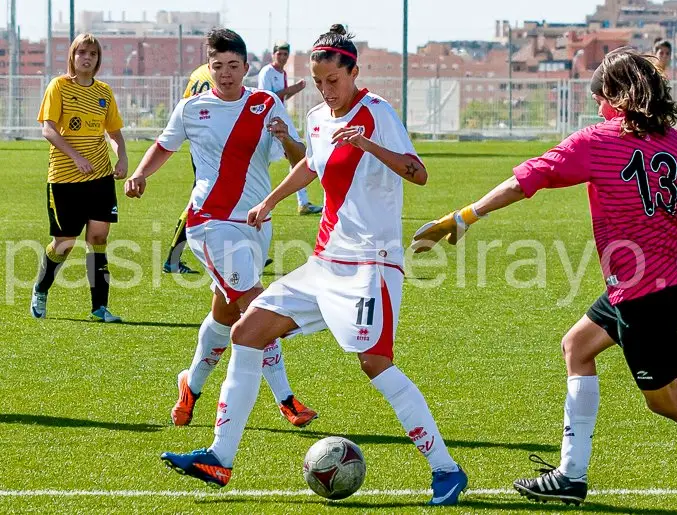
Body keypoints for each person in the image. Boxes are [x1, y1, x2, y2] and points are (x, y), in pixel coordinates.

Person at [413, 48, 677, 506]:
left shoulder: (596, 141)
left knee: (666, 401)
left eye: (600, 98)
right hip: (658, 283)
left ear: (618, 95)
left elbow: (523, 181)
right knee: (577, 346)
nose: (597, 108)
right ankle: (570, 475)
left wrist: (464, 216)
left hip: (646, 295)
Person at [160, 24, 468, 506]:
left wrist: (367, 145)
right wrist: (273, 201)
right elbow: (313, 166)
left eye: (333, 81)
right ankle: (220, 458)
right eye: (319, 81)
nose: (325, 90)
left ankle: (446, 470)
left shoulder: (377, 112)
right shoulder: (321, 117)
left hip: (372, 263)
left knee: (375, 363)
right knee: (247, 332)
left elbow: (419, 173)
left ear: (353, 72)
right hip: (325, 261)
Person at [124, 28, 318, 430]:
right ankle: (287, 399)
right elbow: (164, 145)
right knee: (257, 305)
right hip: (210, 224)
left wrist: (286, 140)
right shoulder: (192, 108)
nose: (226, 73)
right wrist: (141, 174)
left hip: (256, 223)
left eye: (233, 66)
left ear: (247, 67)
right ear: (208, 68)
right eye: (218, 66)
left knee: (226, 315)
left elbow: (305, 163)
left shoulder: (267, 105)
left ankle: (190, 384)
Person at [31, 33, 128, 323]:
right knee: (64, 243)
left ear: (98, 59)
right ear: (72, 56)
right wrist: (76, 156)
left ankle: (100, 306)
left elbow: (114, 133)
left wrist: (122, 157)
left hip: (100, 176)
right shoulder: (59, 86)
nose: (87, 58)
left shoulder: (104, 92)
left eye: (93, 54)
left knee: (98, 237)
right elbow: (48, 129)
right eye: (82, 52)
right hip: (64, 179)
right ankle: (41, 288)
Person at [161, 63, 215, 275]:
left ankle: (240, 249)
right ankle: (173, 258)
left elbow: (185, 103)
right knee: (199, 199)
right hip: (210, 147)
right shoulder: (214, 75)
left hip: (201, 144)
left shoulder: (197, 73)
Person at [258, 40, 322, 216]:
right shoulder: (267, 72)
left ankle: (303, 202)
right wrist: (290, 89)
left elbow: (281, 98)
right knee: (261, 158)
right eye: (279, 53)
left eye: (285, 54)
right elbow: (266, 98)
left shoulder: (282, 73)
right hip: (267, 121)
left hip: (280, 120)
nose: (283, 57)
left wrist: (295, 90)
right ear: (273, 54)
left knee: (295, 156)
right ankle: (252, 198)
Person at [653, 38, 677, 136]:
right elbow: (660, 104)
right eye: (661, 53)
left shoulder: (661, 74)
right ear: (655, 54)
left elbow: (663, 104)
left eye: (667, 53)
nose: (664, 56)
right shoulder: (654, 73)